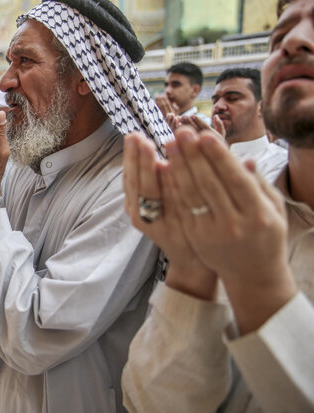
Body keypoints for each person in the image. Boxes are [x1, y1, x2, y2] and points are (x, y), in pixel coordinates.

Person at [0, 1, 173, 411]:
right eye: (9, 62)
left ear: (84, 75)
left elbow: (33, 336)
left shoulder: (129, 183)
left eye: (25, 62)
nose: (5, 81)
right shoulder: (21, 165)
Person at [121, 0, 314, 410]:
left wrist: (258, 286)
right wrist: (191, 270)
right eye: (278, 36)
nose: (294, 41)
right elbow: (150, 401)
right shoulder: (231, 219)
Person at [212, 68, 287, 182]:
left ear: (262, 108)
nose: (218, 106)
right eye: (215, 101)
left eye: (232, 99)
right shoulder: (203, 158)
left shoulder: (282, 163)